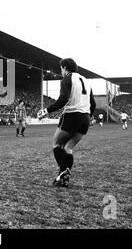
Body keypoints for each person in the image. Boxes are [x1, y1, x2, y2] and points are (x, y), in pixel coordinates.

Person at [37, 58, 96, 188]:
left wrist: (46, 110)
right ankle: (64, 180)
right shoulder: (86, 81)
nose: (61, 71)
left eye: (61, 69)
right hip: (85, 118)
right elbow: (94, 104)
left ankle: (63, 170)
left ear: (64, 68)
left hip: (72, 115)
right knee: (68, 148)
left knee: (56, 144)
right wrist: (90, 117)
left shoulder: (67, 79)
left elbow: (63, 99)